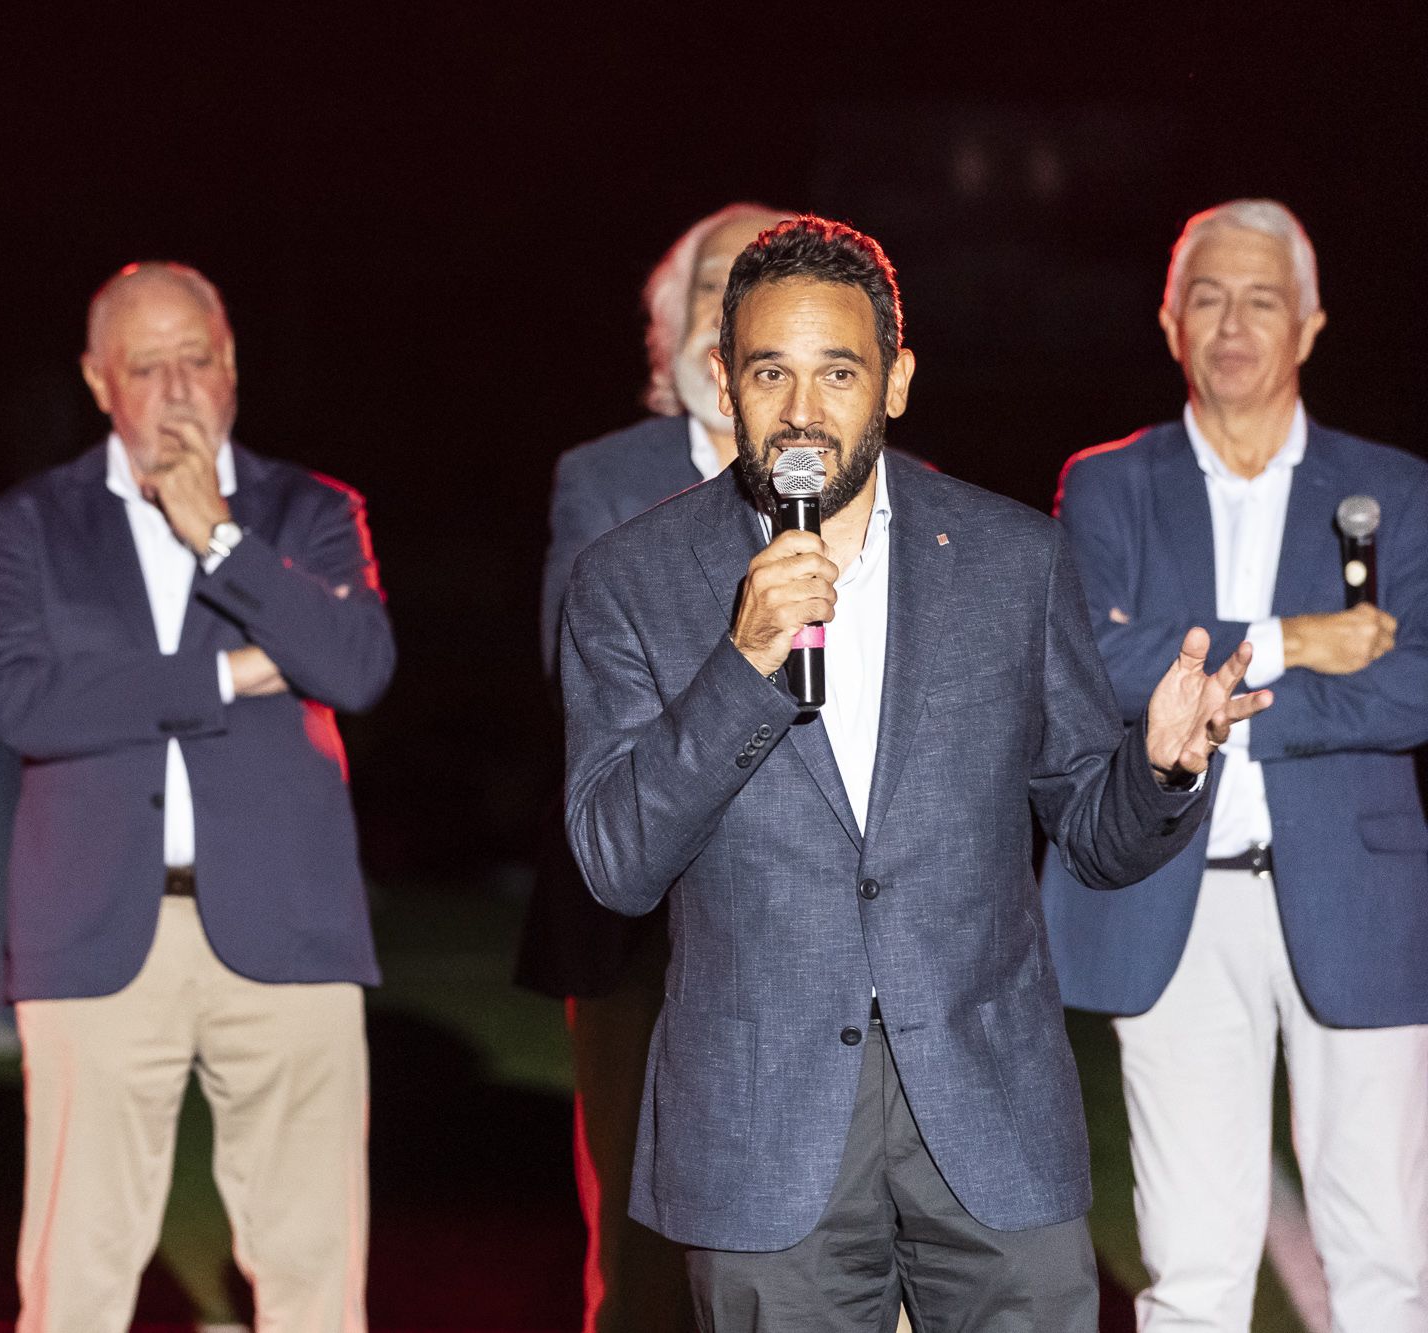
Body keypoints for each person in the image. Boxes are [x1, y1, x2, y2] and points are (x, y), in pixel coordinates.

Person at [561, 215, 1266, 1330]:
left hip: (987, 1113)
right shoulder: (628, 580)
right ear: (721, 382)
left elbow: (1089, 828)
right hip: (763, 1133)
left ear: (894, 381)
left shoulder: (1009, 559)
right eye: (768, 372)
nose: (800, 410)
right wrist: (742, 665)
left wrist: (1158, 767)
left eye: (836, 371)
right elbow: (614, 862)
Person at [0, 261, 395, 1333]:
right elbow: (24, 703)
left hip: (286, 926)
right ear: (96, 380)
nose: (173, 389)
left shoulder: (311, 510)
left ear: (232, 365)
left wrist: (218, 536)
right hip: (95, 926)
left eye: (193, 360)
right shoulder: (32, 523)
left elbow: (352, 664)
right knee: (76, 1267)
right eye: (144, 366)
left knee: (311, 1261)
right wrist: (230, 672)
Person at [1041, 199, 1428, 1331]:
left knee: (1384, 1262)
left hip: (1358, 899)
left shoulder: (1397, 491)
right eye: (1204, 296)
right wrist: (1293, 638)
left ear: (1307, 324)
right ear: (1168, 320)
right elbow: (1088, 661)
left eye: (1260, 299)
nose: (1229, 323)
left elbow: (1412, 684)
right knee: (1192, 1269)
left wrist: (1206, 680)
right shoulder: (1109, 482)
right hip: (1177, 895)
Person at [517, 201, 791, 1333]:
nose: (726, 309)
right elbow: (575, 668)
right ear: (669, 324)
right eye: (708, 285)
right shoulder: (602, 475)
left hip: (822, 908)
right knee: (642, 1247)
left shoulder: (884, 478)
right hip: (644, 921)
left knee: (818, 1228)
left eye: (755, 284)